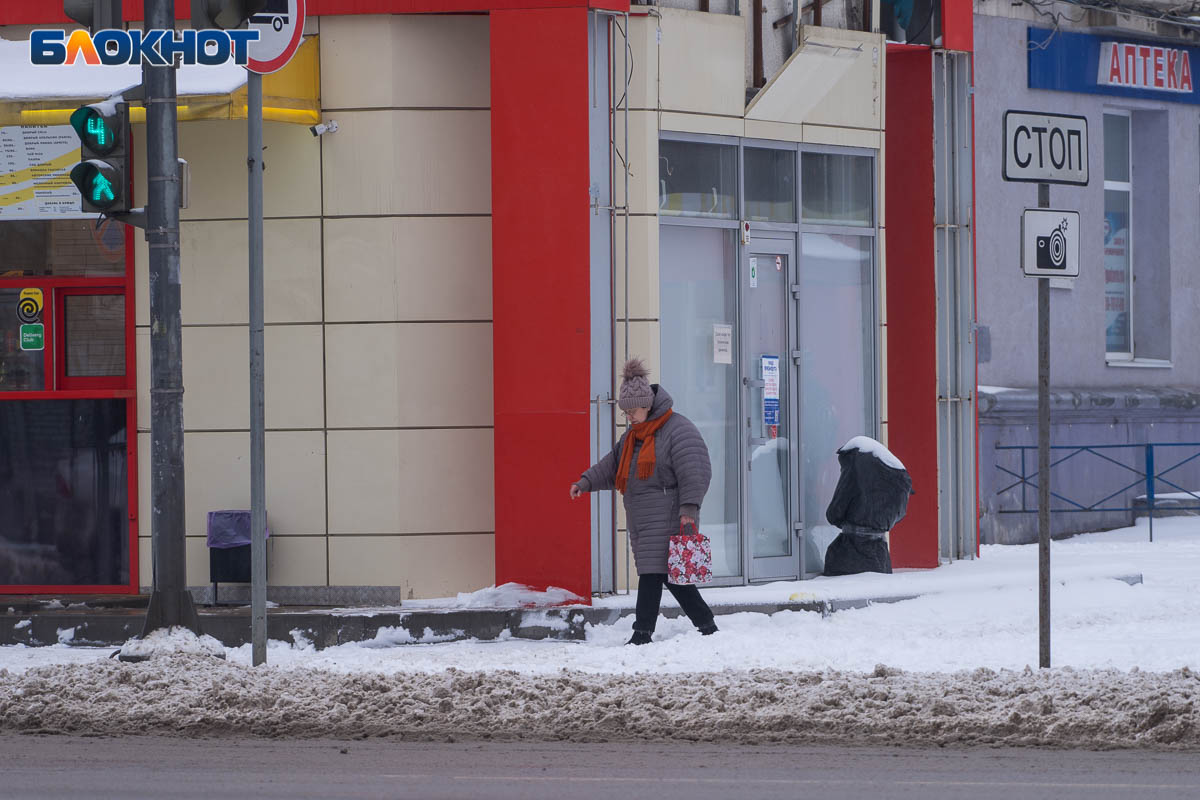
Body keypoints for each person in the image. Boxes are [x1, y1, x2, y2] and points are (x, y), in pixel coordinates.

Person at [569, 358, 718, 645]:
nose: (629, 417)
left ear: (647, 405)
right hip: (643, 519)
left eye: (633, 411)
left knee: (654, 576)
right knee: (671, 577)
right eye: (625, 412)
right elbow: (611, 467)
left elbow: (696, 471)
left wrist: (689, 509)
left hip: (671, 516)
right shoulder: (633, 437)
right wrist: (585, 482)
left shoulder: (678, 429)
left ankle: (643, 633)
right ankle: (706, 626)